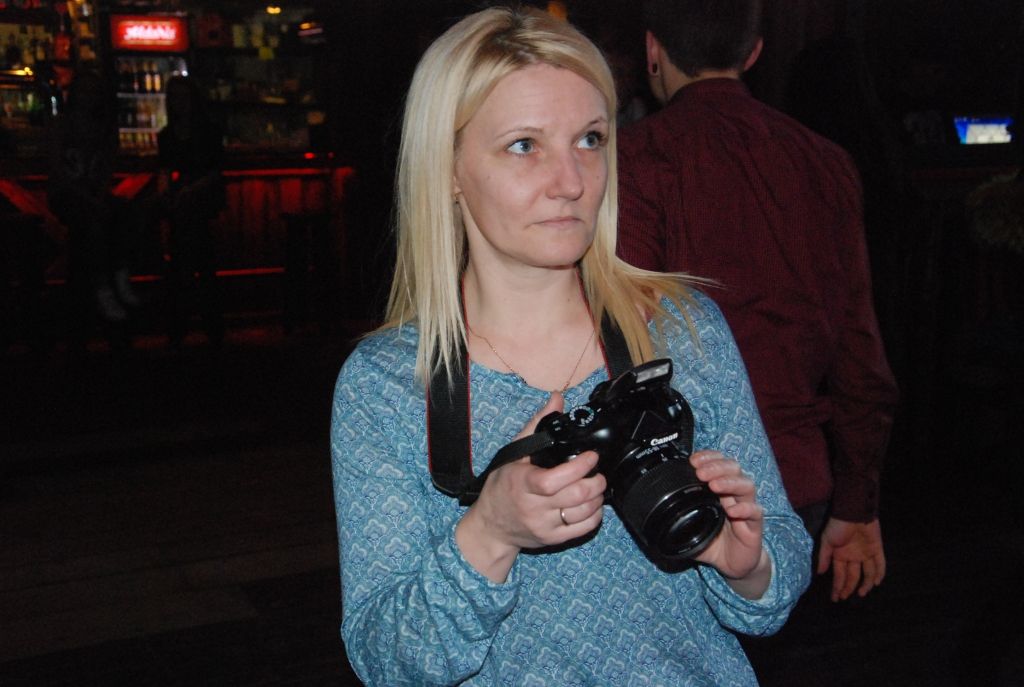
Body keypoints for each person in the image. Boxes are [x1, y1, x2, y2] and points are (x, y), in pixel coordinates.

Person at [330, 7, 811, 686]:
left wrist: (746, 565)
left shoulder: (680, 329)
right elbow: (386, 660)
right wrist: (490, 532)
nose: (571, 181)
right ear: (448, 168)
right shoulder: (387, 386)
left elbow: (779, 570)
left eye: (589, 139)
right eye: (524, 145)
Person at [616, 0, 899, 604]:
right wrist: (857, 501)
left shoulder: (634, 159)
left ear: (653, 50)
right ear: (754, 53)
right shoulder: (826, 161)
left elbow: (625, 340)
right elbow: (858, 347)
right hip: (795, 475)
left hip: (681, 485)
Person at [47, 69, 140, 327]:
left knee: (125, 213)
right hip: (67, 194)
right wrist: (93, 200)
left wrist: (98, 196)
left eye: (93, 92)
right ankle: (103, 288)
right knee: (94, 223)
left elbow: (106, 169)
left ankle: (118, 277)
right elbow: (58, 173)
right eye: (85, 91)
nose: (89, 96)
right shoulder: (61, 125)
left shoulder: (104, 128)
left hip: (93, 194)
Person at [156, 75, 225, 347]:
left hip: (201, 204)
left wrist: (186, 190)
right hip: (186, 205)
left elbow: (215, 172)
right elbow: (164, 170)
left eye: (183, 97)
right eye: (175, 98)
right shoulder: (168, 135)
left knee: (189, 259)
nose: (179, 103)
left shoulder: (207, 132)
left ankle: (183, 324)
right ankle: (204, 324)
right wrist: (167, 193)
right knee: (195, 259)